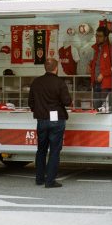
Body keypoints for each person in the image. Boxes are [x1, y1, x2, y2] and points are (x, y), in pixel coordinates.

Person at [28, 58, 72, 188]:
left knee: (41, 150)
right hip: (57, 120)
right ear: (56, 68)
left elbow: (31, 102)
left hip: (41, 119)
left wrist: (39, 110)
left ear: (45, 68)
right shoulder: (59, 82)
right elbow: (66, 101)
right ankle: (50, 181)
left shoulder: (36, 82)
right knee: (54, 151)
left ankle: (39, 178)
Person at [89, 26, 112, 112]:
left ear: (105, 37)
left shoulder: (110, 49)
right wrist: (91, 65)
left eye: (100, 36)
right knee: (96, 107)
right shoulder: (95, 49)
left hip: (105, 84)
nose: (97, 38)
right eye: (96, 35)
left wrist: (103, 74)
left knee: (105, 108)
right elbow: (97, 64)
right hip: (95, 83)